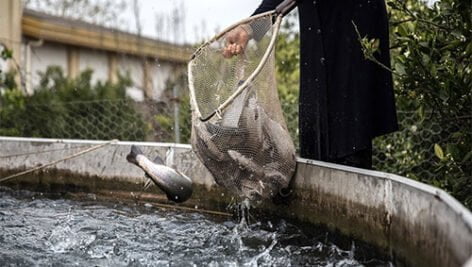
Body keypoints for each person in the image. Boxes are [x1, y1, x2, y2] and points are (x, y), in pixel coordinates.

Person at [223, 0, 398, 169]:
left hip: (352, 22)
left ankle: (352, 175)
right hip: (319, 24)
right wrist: (250, 29)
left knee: (349, 130)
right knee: (316, 127)